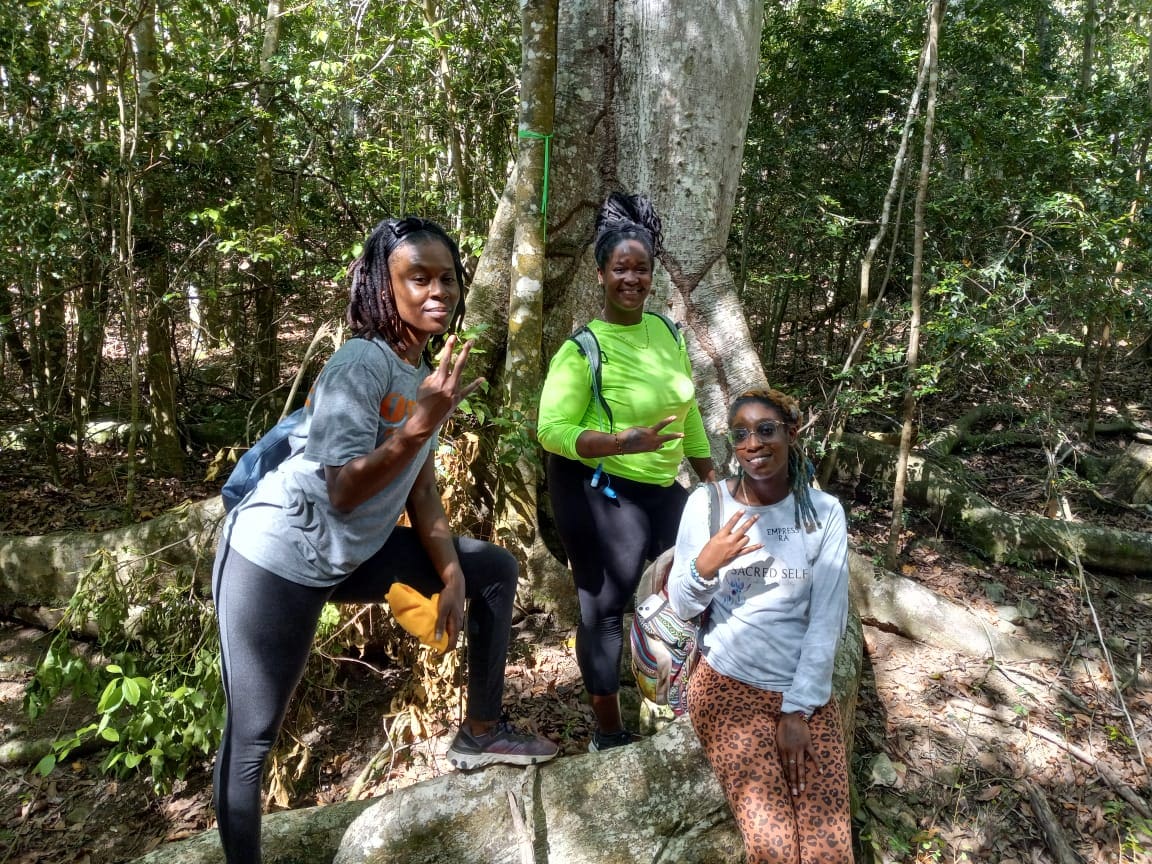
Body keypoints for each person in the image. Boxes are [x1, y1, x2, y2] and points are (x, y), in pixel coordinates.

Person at [211, 216, 558, 864]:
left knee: (494, 570)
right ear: (382, 284)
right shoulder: (360, 362)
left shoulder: (419, 369)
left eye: (447, 278)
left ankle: (482, 731)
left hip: (349, 554)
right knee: (254, 739)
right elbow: (344, 488)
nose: (438, 290)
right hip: (274, 557)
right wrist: (422, 419)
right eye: (417, 277)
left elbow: (419, 487)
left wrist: (452, 575)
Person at [537, 192, 715, 752]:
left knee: (694, 582)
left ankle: (680, 693)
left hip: (663, 485)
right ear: (601, 274)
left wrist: (710, 481)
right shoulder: (582, 349)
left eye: (641, 268)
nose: (632, 278)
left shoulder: (667, 333)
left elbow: (686, 415)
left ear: (653, 273)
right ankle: (608, 732)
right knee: (605, 608)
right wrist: (620, 440)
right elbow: (551, 431)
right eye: (621, 269)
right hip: (599, 490)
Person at [667, 388, 852, 864]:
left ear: (791, 435)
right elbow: (684, 608)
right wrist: (703, 566)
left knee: (827, 846)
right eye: (741, 434)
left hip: (801, 691)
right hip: (728, 682)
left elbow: (828, 616)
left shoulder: (823, 511)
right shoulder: (706, 505)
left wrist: (798, 710)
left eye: (766, 430)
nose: (753, 444)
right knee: (773, 845)